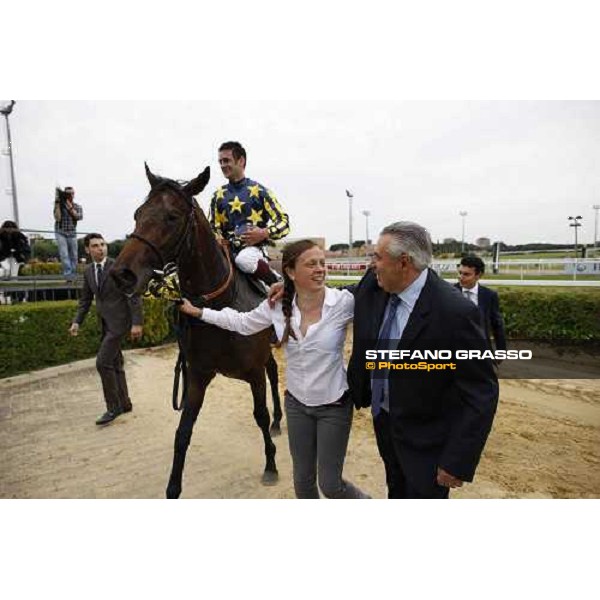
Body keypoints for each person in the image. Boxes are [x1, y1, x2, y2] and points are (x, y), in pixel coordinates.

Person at [179, 239, 369, 499]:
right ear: (291, 272)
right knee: (302, 483)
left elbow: (377, 286)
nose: (320, 269)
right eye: (311, 264)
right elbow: (242, 322)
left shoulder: (343, 303)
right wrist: (199, 312)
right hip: (296, 405)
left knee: (330, 485)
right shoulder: (277, 305)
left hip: (334, 406)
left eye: (322, 263)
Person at [347, 221, 499, 499]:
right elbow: (343, 294)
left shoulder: (455, 312)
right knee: (395, 492)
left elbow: (481, 392)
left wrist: (457, 460)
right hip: (386, 424)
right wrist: (293, 290)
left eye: (377, 257)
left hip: (427, 442)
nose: (372, 264)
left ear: (403, 262)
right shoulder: (378, 283)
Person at [70, 233, 143, 425]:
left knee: (102, 363)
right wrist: (77, 321)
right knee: (116, 363)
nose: (100, 248)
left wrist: (137, 323)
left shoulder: (118, 267)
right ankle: (125, 403)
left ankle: (113, 407)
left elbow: (133, 294)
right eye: (95, 246)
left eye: (103, 244)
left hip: (119, 324)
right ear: (87, 249)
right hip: (104, 323)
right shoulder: (87, 271)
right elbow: (85, 300)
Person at [209, 141, 290, 286]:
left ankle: (277, 282)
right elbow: (213, 227)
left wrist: (265, 233)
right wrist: (218, 239)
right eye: (220, 162)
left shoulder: (260, 192)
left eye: (226, 160)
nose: (222, 165)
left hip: (252, 252)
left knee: (244, 260)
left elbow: (284, 223)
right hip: (226, 252)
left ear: (241, 161)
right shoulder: (218, 196)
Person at [456, 255, 507, 353]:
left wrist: (501, 350)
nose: (461, 277)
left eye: (466, 274)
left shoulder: (489, 295)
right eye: (460, 273)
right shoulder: (448, 293)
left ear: (478, 275)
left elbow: (497, 324)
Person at [54, 186, 83, 281]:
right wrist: (58, 204)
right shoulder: (59, 206)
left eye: (71, 193)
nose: (70, 195)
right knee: (64, 254)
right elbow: (57, 218)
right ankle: (68, 276)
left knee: (74, 255)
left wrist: (70, 208)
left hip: (72, 233)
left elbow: (79, 217)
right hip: (60, 232)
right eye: (67, 193)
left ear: (74, 194)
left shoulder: (77, 206)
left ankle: (73, 274)